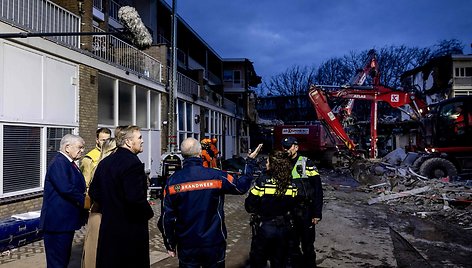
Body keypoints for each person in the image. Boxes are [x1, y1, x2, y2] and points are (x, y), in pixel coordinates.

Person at [159, 137, 263, 267]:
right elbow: (241, 186)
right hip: (213, 243)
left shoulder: (172, 181)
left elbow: (166, 218)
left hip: (187, 245)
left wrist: (169, 243)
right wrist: (250, 161)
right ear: (199, 153)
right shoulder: (216, 176)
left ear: (182, 155)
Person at [89, 126, 154, 268]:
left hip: (109, 228)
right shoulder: (132, 163)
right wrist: (148, 213)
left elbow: (94, 192)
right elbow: (134, 198)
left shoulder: (105, 162)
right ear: (129, 142)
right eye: (140, 138)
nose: (142, 141)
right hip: (129, 230)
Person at [245, 150, 299, 268]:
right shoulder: (292, 183)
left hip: (265, 228)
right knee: (280, 262)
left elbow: (250, 205)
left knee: (258, 261)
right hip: (285, 229)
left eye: (268, 162)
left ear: (273, 165)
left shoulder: (263, 181)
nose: (266, 164)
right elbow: (294, 205)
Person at [40, 134, 87, 268]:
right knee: (57, 262)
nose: (82, 150)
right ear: (67, 147)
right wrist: (86, 202)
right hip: (57, 223)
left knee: (63, 259)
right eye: (80, 147)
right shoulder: (59, 163)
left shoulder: (69, 163)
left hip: (65, 222)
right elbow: (66, 188)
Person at [282, 136, 323, 268]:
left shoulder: (307, 163)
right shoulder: (281, 163)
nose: (286, 150)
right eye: (284, 147)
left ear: (296, 147)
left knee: (307, 245)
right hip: (289, 211)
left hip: (306, 211)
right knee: (290, 245)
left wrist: (317, 213)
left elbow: (318, 190)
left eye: (288, 147)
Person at [82, 138, 117, 268]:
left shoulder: (102, 166)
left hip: (99, 214)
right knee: (96, 252)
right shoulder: (101, 167)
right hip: (100, 215)